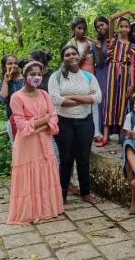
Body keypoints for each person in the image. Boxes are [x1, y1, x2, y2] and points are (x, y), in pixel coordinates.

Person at [8, 61, 63, 224]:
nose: (36, 77)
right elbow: (22, 127)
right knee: (29, 174)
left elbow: (54, 118)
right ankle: (30, 211)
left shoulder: (45, 95)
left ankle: (47, 209)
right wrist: (43, 121)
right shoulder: (16, 97)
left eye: (39, 74)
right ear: (25, 76)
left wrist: (39, 124)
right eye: (32, 74)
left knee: (45, 170)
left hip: (44, 141)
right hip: (26, 146)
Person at [48, 45, 102, 204]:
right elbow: (56, 100)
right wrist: (85, 97)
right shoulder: (56, 77)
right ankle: (62, 194)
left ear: (79, 56)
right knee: (66, 158)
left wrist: (69, 96)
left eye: (74, 53)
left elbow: (98, 98)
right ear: (63, 58)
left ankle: (86, 193)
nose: (71, 56)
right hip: (64, 122)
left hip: (85, 121)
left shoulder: (89, 76)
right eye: (67, 54)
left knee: (84, 158)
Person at [99, 10, 135, 147]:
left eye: (127, 26)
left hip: (125, 73)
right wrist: (129, 11)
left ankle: (121, 135)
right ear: (118, 28)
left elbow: (132, 65)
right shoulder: (113, 41)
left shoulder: (132, 46)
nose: (124, 29)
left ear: (129, 29)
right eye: (122, 26)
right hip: (112, 70)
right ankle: (106, 136)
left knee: (122, 102)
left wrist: (132, 83)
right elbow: (111, 18)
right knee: (109, 101)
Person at [66, 17, 104, 145]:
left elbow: (98, 62)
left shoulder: (90, 42)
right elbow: (73, 64)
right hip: (78, 78)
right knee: (82, 104)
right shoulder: (71, 44)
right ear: (73, 29)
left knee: (94, 103)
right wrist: (85, 51)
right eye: (79, 28)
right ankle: (82, 132)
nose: (82, 31)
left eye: (84, 28)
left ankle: (96, 132)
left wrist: (98, 48)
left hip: (92, 76)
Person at [27, 51, 59, 166]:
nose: (28, 63)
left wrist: (49, 120)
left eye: (30, 61)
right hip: (37, 120)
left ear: (39, 61)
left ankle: (59, 181)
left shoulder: (53, 76)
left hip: (52, 119)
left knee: (55, 154)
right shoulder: (31, 77)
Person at [0, 54, 25, 144]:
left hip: (29, 120)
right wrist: (6, 81)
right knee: (17, 149)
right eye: (10, 63)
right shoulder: (4, 82)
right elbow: (1, 100)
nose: (13, 65)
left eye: (15, 63)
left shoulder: (26, 78)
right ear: (4, 66)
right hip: (13, 121)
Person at [92, 16, 110, 143]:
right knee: (101, 100)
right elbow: (99, 62)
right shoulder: (96, 42)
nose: (101, 28)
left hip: (114, 71)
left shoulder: (114, 38)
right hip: (102, 72)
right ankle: (100, 132)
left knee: (112, 99)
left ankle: (115, 131)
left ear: (108, 24)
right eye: (98, 27)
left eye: (102, 24)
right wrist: (98, 48)